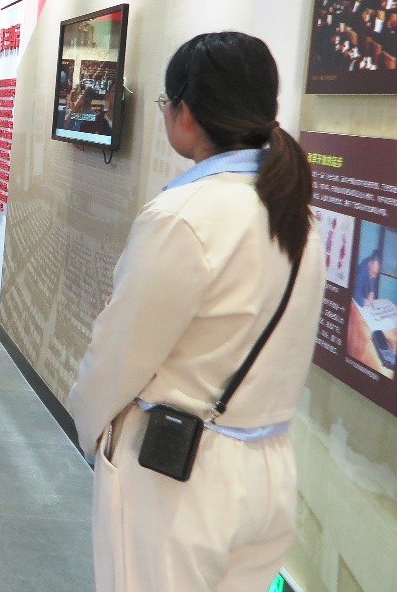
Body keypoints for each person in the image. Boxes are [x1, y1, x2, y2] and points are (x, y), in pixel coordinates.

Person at [68, 32, 325, 592]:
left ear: (185, 112)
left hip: (178, 473)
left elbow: (119, 351)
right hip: (269, 469)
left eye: (166, 102)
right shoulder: (296, 213)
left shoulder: (184, 214)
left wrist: (88, 428)